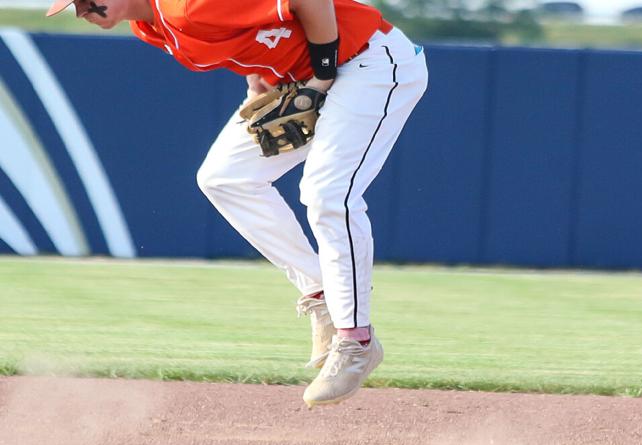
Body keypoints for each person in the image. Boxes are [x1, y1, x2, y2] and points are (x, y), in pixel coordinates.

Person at [47, 0, 429, 407]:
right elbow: (244, 37)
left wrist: (321, 77)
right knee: (224, 177)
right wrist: (257, 79)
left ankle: (356, 341)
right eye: (74, 6)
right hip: (307, 78)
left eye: (84, 1)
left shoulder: (188, 5)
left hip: (369, 63)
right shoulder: (149, 26)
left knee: (328, 195)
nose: (81, 11)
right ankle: (323, 298)